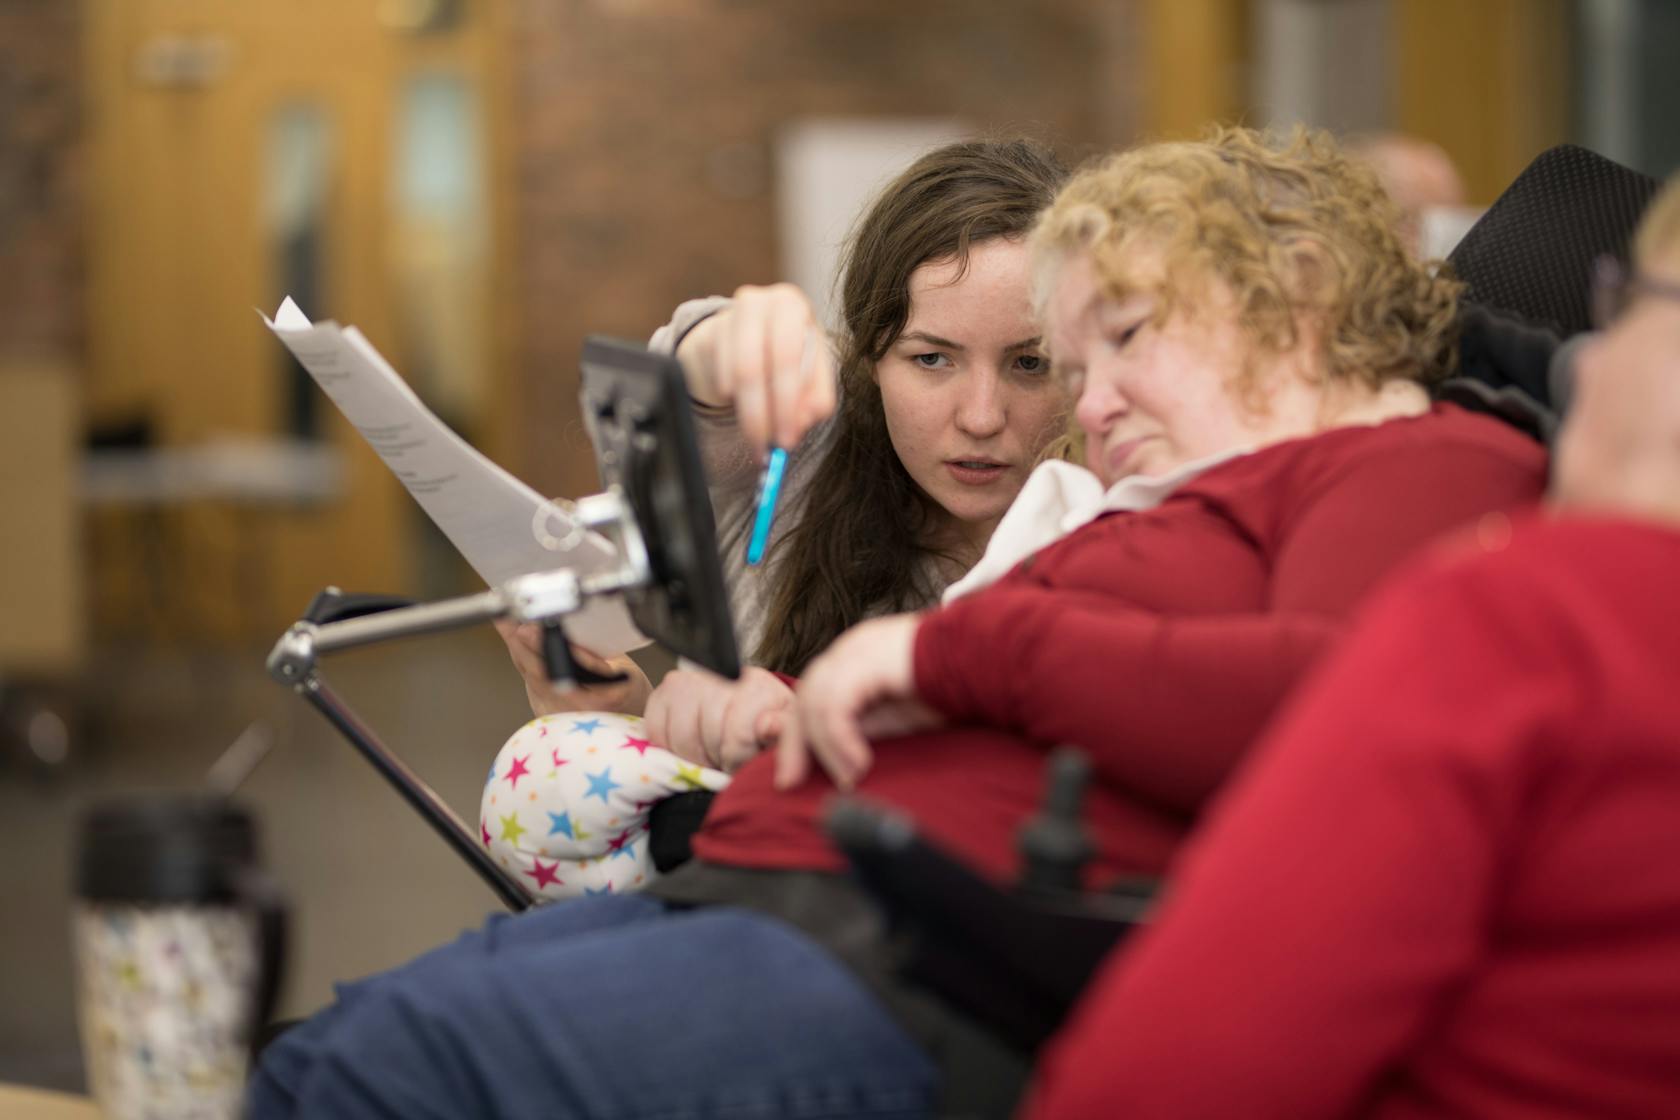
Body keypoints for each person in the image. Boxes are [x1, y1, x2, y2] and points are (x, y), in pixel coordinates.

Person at [247, 126, 1547, 1120]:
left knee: (371, 1074)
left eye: (1107, 347)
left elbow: (1325, 706)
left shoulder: (1402, 462)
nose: (1075, 409)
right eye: (1072, 359)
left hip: (896, 942)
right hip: (769, 887)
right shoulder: (1134, 502)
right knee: (314, 1060)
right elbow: (700, 375)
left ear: (1294, 307)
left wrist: (940, 650)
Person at [1020, 174, 1680, 1118]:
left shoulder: (1520, 611)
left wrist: (966, 650)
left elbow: (1175, 1068)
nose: (1587, 364)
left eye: (1624, 311)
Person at [497, 138, 1074, 762]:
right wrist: (725, 347)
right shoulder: (803, 449)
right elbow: (684, 405)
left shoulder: (1121, 525)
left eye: (1030, 363)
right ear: (870, 356)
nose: (982, 417)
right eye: (931, 358)